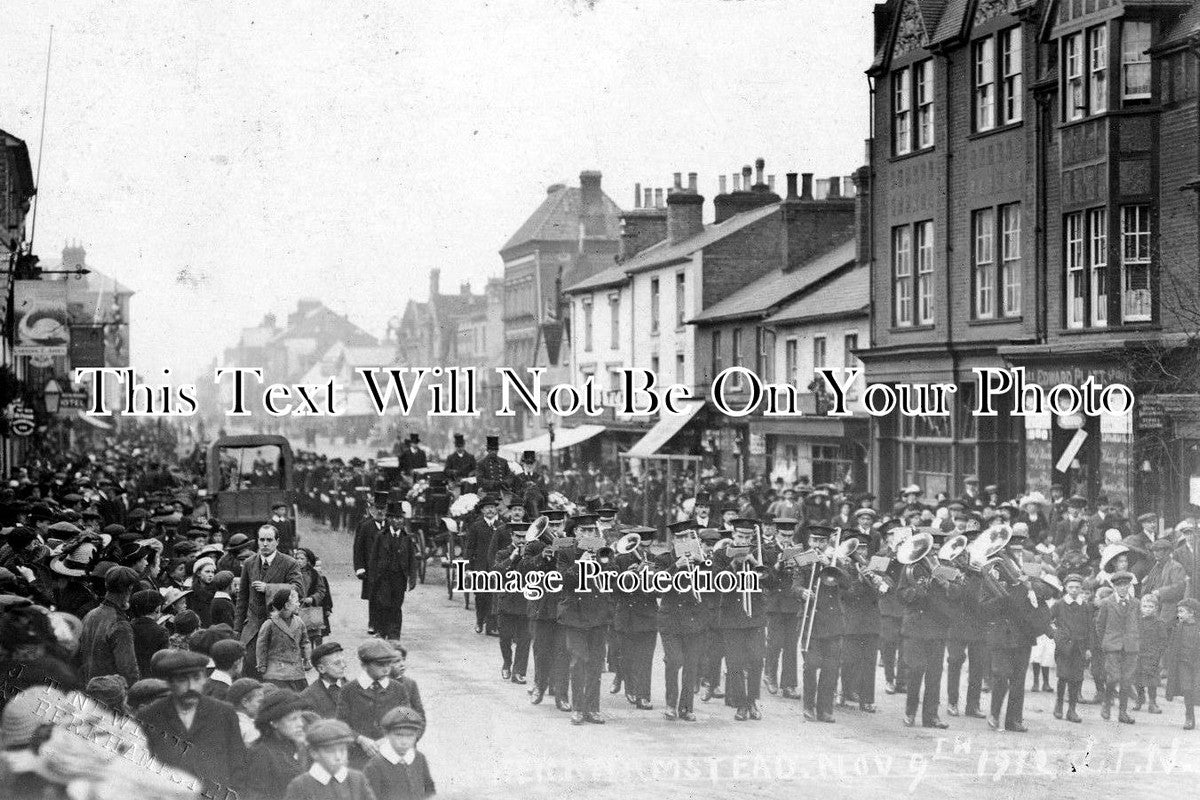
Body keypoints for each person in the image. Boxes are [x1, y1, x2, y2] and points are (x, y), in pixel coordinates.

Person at [137, 649, 247, 799]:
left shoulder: (225, 714)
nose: (191, 687)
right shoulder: (148, 717)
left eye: (196, 678)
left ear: (205, 679)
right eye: (182, 679)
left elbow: (238, 767)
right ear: (169, 682)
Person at [712, 519, 775, 722]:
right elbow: (716, 583)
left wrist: (755, 562)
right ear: (733, 535)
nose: (744, 541)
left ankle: (752, 701)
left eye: (748, 537)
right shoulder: (721, 554)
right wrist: (733, 565)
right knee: (735, 663)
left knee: (756, 660)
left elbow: (772, 582)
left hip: (755, 616)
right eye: (740, 536)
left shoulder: (760, 553)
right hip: (731, 616)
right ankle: (741, 704)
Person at [558, 514, 614, 725]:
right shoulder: (565, 552)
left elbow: (613, 575)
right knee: (578, 661)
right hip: (575, 615)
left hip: (598, 615)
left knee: (596, 663)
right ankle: (578, 708)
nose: (590, 534)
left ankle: (593, 708)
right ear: (576, 532)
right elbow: (562, 580)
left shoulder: (603, 550)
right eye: (585, 530)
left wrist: (601, 562)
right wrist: (580, 564)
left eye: (593, 530)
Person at [338, 641, 422, 768]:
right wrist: (360, 739)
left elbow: (408, 719)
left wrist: (389, 739)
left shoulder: (398, 689)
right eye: (380, 664)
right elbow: (340, 724)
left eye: (389, 663)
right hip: (357, 758)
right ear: (364, 665)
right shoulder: (348, 690)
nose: (386, 668)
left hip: (391, 757)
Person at [656, 520, 708, 721]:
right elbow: (658, 586)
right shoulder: (664, 559)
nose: (684, 541)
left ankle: (686, 707)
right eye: (680, 538)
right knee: (674, 660)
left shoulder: (702, 559)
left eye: (688, 537)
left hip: (695, 620)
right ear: (673, 541)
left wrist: (702, 565)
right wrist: (675, 567)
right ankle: (670, 704)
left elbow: (713, 587)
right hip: (671, 620)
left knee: (691, 664)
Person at [236, 524, 304, 676]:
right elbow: (242, 598)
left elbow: (298, 589)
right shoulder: (249, 563)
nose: (265, 544)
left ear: (277, 541)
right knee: (250, 669)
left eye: (269, 540)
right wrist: (237, 629)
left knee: (276, 672)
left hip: (279, 627)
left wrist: (269, 588)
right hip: (253, 628)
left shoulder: (289, 563)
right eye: (262, 540)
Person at [796, 524, 847, 723]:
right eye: (814, 540)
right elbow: (795, 585)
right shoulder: (804, 560)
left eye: (822, 541)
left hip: (833, 622)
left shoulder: (836, 560)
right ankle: (808, 706)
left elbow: (848, 584)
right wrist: (802, 591)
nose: (817, 545)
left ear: (828, 543)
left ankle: (825, 709)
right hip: (811, 621)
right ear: (809, 541)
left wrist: (830, 565)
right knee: (810, 666)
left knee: (831, 668)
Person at [242, 687, 312, 800]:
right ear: (274, 722)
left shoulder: (299, 747)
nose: (300, 724)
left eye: (300, 717)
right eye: (293, 719)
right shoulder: (261, 753)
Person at [76, 565, 141, 687]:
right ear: (130, 588)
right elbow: (128, 670)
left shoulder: (90, 615)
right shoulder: (119, 624)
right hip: (111, 691)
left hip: (89, 688)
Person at [285, 718, 377, 800]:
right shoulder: (300, 785)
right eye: (330, 751)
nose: (338, 757)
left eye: (342, 750)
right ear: (314, 753)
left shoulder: (357, 779)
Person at [367, 503, 418, 642]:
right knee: (383, 604)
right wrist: (372, 577)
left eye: (400, 518)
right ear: (389, 519)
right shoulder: (381, 536)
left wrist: (412, 579)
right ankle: (382, 631)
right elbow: (374, 558)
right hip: (384, 577)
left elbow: (412, 560)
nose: (398, 521)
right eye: (395, 518)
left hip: (399, 577)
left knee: (396, 606)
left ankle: (394, 634)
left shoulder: (407, 538)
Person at [1095, 570, 1140, 724]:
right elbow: (1100, 625)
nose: (1122, 588)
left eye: (1125, 585)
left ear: (1129, 586)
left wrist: (1136, 640)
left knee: (1127, 680)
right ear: (1114, 586)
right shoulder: (1107, 603)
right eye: (1119, 585)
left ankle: (1123, 712)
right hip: (1112, 645)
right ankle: (1107, 704)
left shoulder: (1136, 603)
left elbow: (1139, 623)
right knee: (1113, 677)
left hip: (1130, 646)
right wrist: (1106, 642)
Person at [363, 706, 435, 800]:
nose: (404, 742)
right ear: (387, 735)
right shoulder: (375, 765)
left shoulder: (419, 758)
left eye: (410, 736)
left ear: (416, 735)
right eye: (399, 735)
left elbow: (429, 789)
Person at [1050, 573, 1091, 723]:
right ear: (1065, 588)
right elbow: (1048, 620)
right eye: (1071, 587)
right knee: (1063, 676)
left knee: (1076, 678)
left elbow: (1089, 628)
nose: (1074, 590)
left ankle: (1072, 710)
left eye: (1077, 587)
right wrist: (1056, 635)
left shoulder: (1085, 606)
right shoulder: (1059, 604)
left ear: (1081, 589)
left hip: (1079, 647)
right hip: (1064, 647)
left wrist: (1088, 648)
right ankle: (1059, 704)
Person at [493, 525, 531, 683]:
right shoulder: (503, 553)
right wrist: (512, 558)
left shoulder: (531, 554)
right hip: (507, 602)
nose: (521, 540)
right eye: (518, 536)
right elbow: (496, 572)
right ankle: (507, 663)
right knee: (505, 637)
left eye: (524, 537)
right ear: (512, 536)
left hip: (525, 602)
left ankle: (518, 671)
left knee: (524, 639)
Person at [463, 494, 504, 635]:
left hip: (496, 567)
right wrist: (468, 567)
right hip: (480, 567)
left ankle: (491, 626)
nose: (490, 510)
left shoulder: (501, 526)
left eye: (492, 507)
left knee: (494, 595)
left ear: (496, 509)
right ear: (482, 510)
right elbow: (469, 548)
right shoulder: (476, 526)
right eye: (487, 508)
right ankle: (480, 620)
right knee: (481, 596)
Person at [257, 587, 313, 691]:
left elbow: (305, 642)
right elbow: (262, 645)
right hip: (276, 673)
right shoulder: (270, 624)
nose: (299, 604)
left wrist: (307, 659)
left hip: (296, 672)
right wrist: (262, 665)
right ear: (287, 605)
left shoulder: (299, 622)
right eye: (296, 602)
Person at [355, 492, 387, 635]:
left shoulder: (391, 526)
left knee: (387, 596)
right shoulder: (365, 526)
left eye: (383, 508)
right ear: (372, 509)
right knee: (373, 597)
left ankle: (385, 624)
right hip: (371, 569)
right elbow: (358, 549)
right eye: (377, 508)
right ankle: (373, 623)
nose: (380, 511)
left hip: (387, 569)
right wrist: (359, 568)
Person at [1165, 597, 1200, 730]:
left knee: (1196, 689)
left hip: (1197, 665)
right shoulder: (1178, 627)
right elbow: (1172, 646)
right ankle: (1189, 716)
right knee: (1187, 689)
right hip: (1182, 664)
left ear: (1191, 613)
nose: (1178, 614)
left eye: (1182, 611)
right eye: (1178, 611)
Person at [1134, 592, 1167, 714]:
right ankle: (1140, 698)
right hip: (1138, 654)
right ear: (1141, 607)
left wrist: (1157, 654)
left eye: (1150, 607)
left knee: (1152, 680)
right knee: (1137, 678)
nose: (1147, 609)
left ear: (1156, 608)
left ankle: (1152, 702)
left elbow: (1163, 640)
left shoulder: (1159, 623)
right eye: (1145, 606)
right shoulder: (1137, 621)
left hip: (1152, 655)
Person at [130, 588, 170, 679]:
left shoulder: (127, 627)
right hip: (152, 679)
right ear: (157, 608)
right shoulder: (161, 632)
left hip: (132, 678)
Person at [302, 641, 348, 718]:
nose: (343, 665)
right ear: (321, 668)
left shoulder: (356, 688)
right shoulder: (307, 697)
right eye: (337, 663)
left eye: (343, 661)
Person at [296, 547, 330, 645]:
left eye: (302, 559)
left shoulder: (314, 574)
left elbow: (321, 590)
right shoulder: (292, 572)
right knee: (299, 637)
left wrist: (312, 598)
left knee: (314, 636)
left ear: (307, 560)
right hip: (296, 608)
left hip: (311, 609)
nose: (299, 561)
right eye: (297, 558)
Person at [229, 677, 266, 746]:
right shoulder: (250, 730)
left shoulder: (221, 721)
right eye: (260, 701)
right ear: (245, 702)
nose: (263, 706)